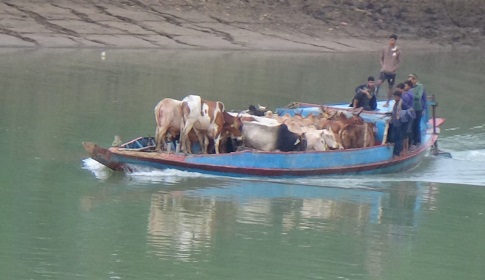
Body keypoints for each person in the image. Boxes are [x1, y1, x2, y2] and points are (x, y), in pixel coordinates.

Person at [376, 34, 402, 107]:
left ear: (395, 41)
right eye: (390, 40)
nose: (391, 41)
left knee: (390, 87)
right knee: (378, 83)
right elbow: (381, 59)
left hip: (392, 72)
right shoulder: (384, 48)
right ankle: (374, 96)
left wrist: (395, 68)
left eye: (393, 40)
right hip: (384, 70)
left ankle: (387, 102)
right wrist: (383, 65)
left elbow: (399, 62)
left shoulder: (398, 51)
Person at [390, 90, 411, 157]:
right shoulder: (396, 103)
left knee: (399, 139)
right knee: (394, 138)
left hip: (399, 124)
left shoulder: (402, 104)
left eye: (395, 97)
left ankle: (397, 153)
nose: (394, 98)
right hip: (395, 123)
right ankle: (395, 152)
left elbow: (410, 110)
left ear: (399, 97)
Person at [408, 73, 425, 149]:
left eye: (412, 79)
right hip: (410, 108)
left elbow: (418, 97)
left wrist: (410, 93)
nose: (410, 80)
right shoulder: (408, 87)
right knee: (410, 125)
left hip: (417, 108)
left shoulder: (420, 87)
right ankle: (410, 141)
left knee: (416, 125)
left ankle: (417, 141)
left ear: (415, 80)